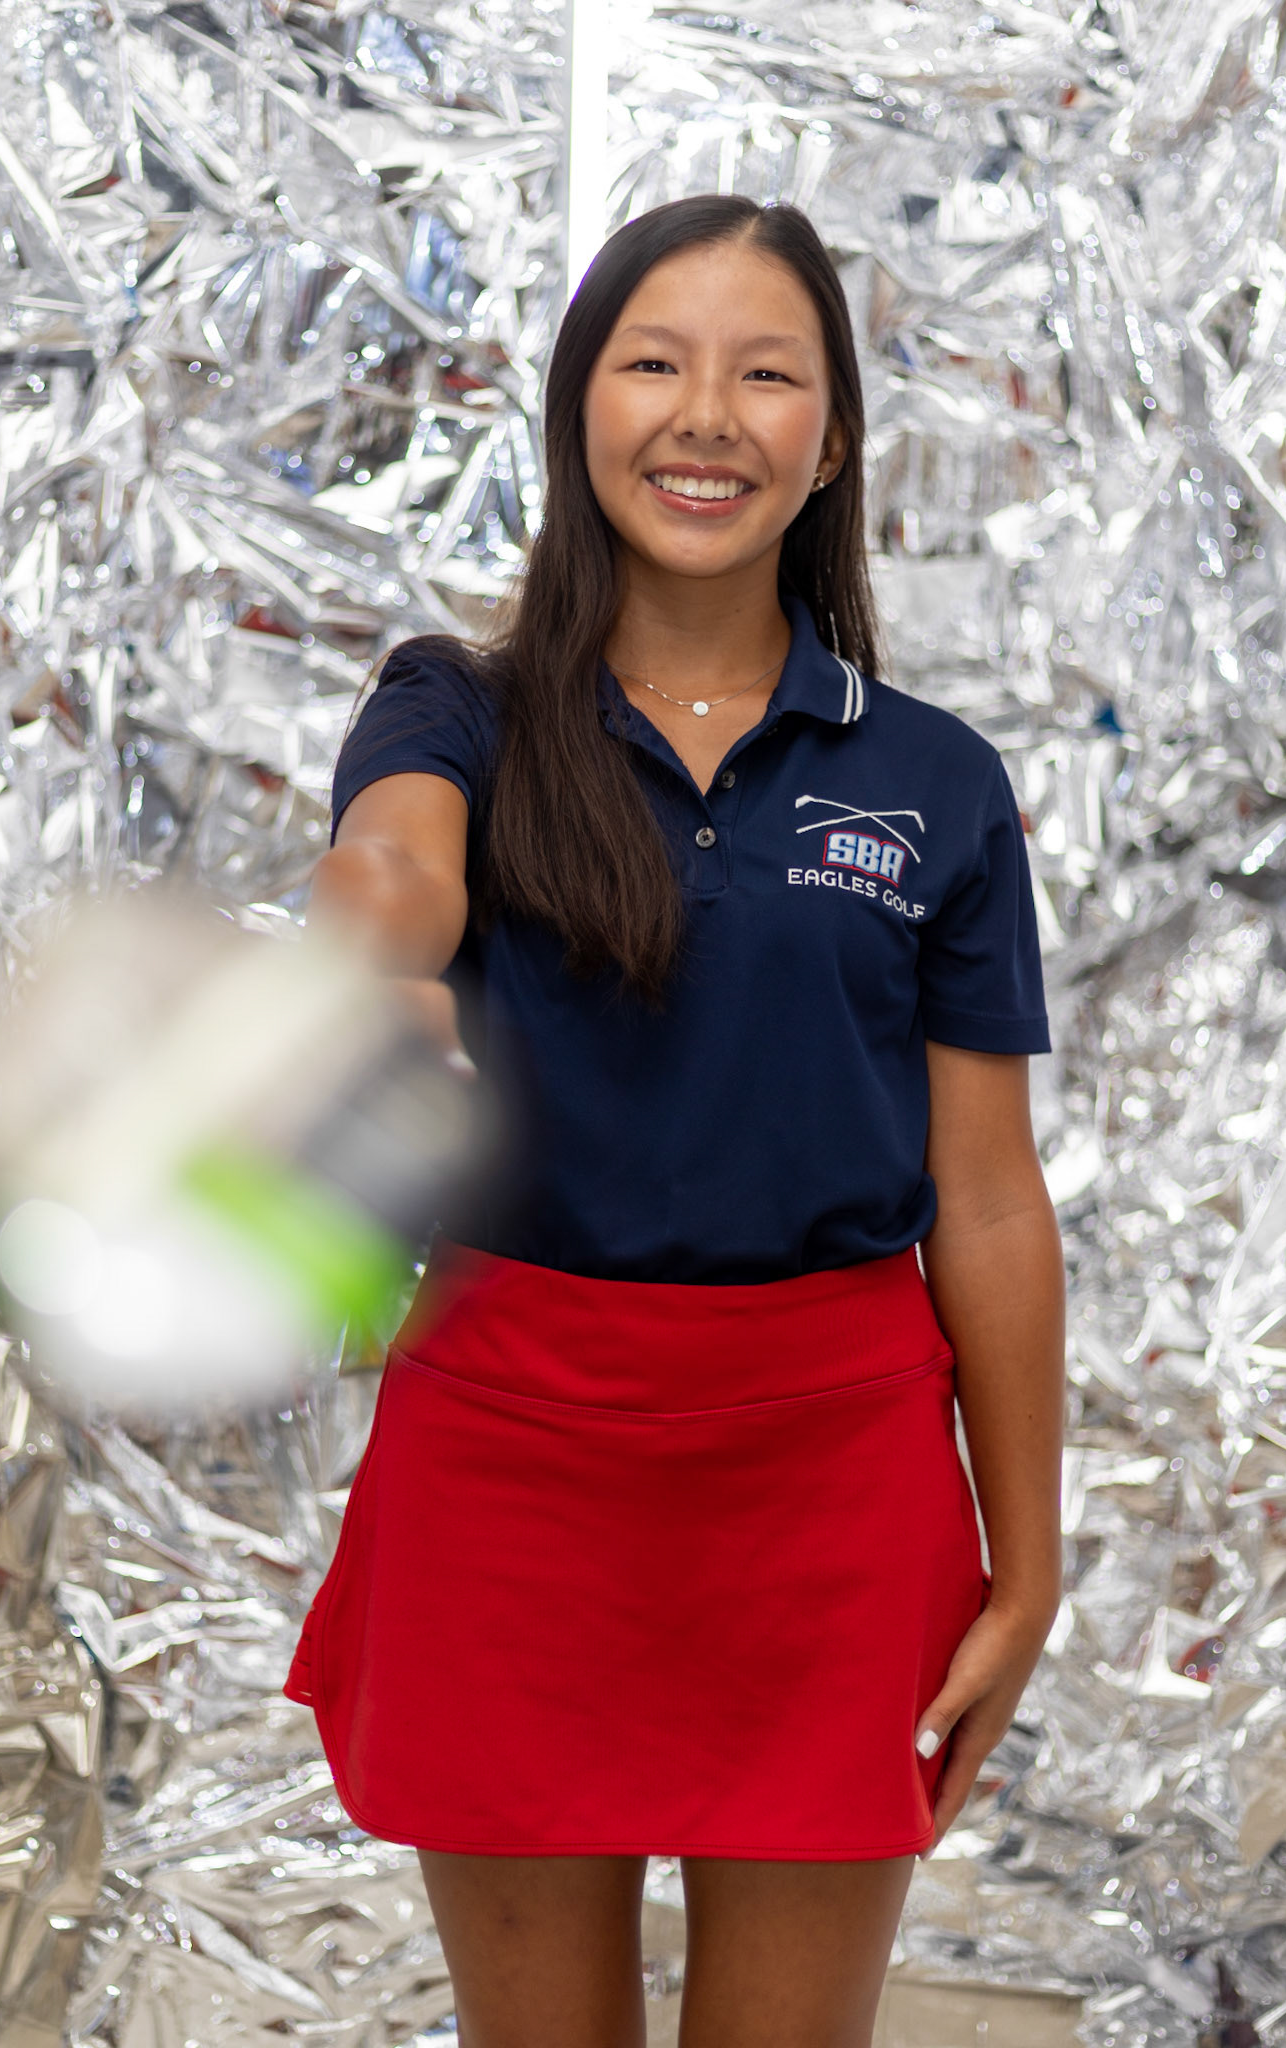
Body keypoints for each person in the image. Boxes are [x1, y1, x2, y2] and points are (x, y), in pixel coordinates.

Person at [284, 194, 1065, 2048]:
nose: (705, 413)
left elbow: (990, 1197)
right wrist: (374, 985)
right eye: (653, 362)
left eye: (766, 372)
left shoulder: (936, 780)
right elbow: (389, 871)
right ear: (577, 409)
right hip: (510, 1462)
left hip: (834, 1491)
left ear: (833, 440)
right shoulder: (456, 709)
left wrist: (1028, 1567)